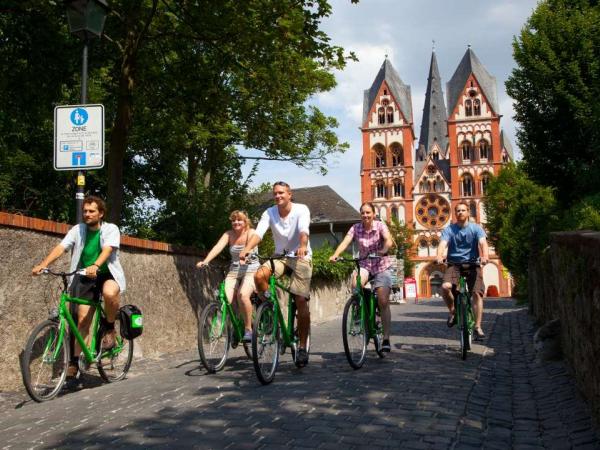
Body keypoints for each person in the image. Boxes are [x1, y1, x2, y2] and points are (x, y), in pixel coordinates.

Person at [32, 196, 126, 378]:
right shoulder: (78, 229)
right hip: (85, 276)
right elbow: (62, 247)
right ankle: (75, 362)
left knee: (109, 292)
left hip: (106, 274)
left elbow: (108, 249)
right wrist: (43, 264)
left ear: (101, 213)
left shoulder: (110, 228)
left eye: (91, 211)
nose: (87, 214)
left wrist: (97, 265)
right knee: (82, 321)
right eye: (85, 211)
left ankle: (109, 327)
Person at [239, 181, 312, 366]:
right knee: (259, 276)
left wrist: (302, 247)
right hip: (280, 257)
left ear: (289, 194)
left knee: (300, 299)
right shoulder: (270, 212)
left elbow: (304, 231)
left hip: (300, 257)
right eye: (275, 194)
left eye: (281, 193)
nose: (278, 196)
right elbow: (259, 234)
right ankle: (271, 313)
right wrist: (247, 248)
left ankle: (302, 347)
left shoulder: (301, 209)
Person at [329, 202, 394, 352]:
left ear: (374, 214)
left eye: (368, 213)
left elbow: (389, 240)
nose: (365, 215)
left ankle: (385, 338)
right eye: (363, 213)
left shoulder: (380, 226)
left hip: (381, 264)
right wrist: (335, 255)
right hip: (365, 264)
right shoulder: (355, 228)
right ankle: (360, 310)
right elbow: (346, 241)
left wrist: (383, 250)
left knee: (383, 300)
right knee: (355, 284)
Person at [196, 210, 259, 342]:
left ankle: (248, 329)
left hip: (250, 269)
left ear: (245, 221)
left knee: (243, 295)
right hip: (234, 270)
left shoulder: (251, 233)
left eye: (239, 220)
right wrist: (206, 261)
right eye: (233, 220)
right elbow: (217, 247)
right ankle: (233, 326)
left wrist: (246, 257)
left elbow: (252, 248)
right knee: (225, 299)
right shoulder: (228, 234)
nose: (236, 222)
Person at [435, 201, 489, 340]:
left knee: (477, 293)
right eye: (458, 211)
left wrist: (485, 256)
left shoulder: (476, 228)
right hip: (454, 264)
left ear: (468, 212)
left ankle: (477, 327)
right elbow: (443, 244)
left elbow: (483, 243)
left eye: (463, 210)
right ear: (455, 213)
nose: (460, 213)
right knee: (445, 287)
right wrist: (439, 255)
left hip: (473, 264)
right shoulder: (449, 230)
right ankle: (453, 311)